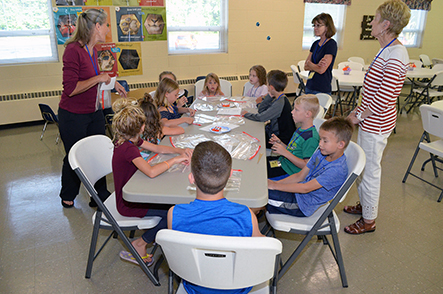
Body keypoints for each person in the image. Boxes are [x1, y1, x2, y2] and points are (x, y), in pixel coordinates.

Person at [344, 0, 410, 234]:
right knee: (364, 167)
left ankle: (369, 220)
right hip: (370, 120)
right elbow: (373, 91)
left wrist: (358, 116)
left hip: (376, 124)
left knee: (370, 171)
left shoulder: (397, 54)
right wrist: (358, 110)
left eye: (376, 17)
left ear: (386, 24)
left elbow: (384, 99)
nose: (372, 21)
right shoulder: (387, 49)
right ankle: (365, 206)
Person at [167, 141, 263, 294]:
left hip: (194, 286)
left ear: (191, 178)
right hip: (237, 288)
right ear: (230, 176)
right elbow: (261, 249)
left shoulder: (174, 214)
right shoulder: (245, 215)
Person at [58, 8, 127, 208]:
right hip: (73, 115)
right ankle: (67, 193)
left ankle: (99, 193)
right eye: (105, 25)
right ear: (97, 26)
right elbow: (71, 89)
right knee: (75, 155)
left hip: (93, 112)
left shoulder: (93, 49)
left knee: (96, 152)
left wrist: (113, 82)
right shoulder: (73, 50)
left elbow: (92, 81)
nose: (107, 29)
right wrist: (98, 78)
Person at [111, 99, 191, 265]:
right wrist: (175, 160)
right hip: (129, 202)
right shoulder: (129, 148)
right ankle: (140, 244)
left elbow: (157, 148)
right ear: (141, 127)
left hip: (136, 192)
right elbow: (151, 172)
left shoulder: (129, 139)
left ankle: (158, 236)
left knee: (173, 210)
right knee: (175, 214)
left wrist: (180, 150)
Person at [261, 117, 353, 218]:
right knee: (261, 188)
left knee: (259, 195)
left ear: (340, 144)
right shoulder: (320, 153)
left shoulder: (337, 170)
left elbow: (305, 188)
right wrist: (275, 183)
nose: (320, 144)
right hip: (297, 192)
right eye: (320, 139)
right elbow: (300, 176)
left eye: (325, 141)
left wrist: (274, 186)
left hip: (301, 205)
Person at [267, 94, 320, 180]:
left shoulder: (311, 138)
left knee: (261, 176)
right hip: (283, 163)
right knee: (262, 165)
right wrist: (280, 143)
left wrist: (284, 152)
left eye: (296, 110)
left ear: (308, 114)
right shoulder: (300, 129)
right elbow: (293, 150)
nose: (292, 112)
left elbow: (306, 165)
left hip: (290, 172)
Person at [241, 70, 295, 147]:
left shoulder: (280, 103)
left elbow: (261, 117)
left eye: (267, 85)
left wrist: (246, 114)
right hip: (274, 132)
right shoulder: (278, 98)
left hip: (280, 139)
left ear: (271, 87)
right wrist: (269, 96)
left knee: (251, 138)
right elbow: (261, 110)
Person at [304, 13, 337, 95]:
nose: (315, 28)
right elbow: (305, 66)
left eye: (318, 25)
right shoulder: (315, 44)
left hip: (321, 88)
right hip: (310, 85)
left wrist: (310, 64)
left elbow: (321, 70)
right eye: (314, 25)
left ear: (327, 27)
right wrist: (316, 65)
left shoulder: (331, 44)